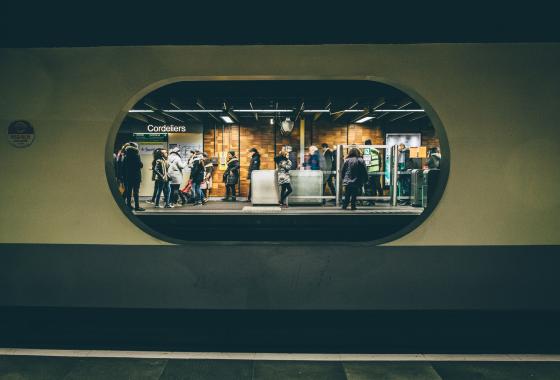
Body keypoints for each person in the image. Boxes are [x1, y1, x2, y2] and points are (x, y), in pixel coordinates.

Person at [363, 139, 382, 206]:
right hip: (376, 171)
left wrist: (365, 171)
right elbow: (380, 163)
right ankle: (373, 201)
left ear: (365, 144)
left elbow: (367, 162)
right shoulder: (376, 151)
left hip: (370, 171)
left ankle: (369, 201)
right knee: (374, 187)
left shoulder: (367, 150)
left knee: (368, 186)